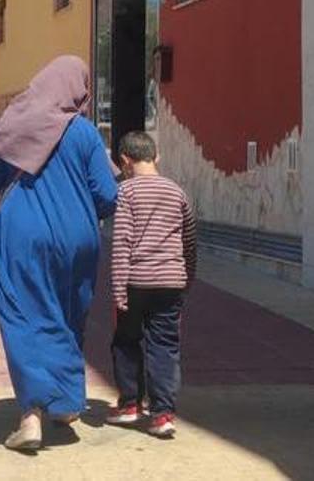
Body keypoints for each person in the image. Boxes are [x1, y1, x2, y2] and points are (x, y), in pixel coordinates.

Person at [0, 55, 118, 451]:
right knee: (68, 313)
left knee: (23, 314)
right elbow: (107, 195)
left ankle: (31, 416)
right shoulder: (84, 133)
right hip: (79, 236)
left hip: (23, 233)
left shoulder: (16, 122)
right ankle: (68, 404)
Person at [106, 130, 197, 439]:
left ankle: (130, 404)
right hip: (171, 282)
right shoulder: (177, 192)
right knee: (165, 345)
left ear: (124, 161)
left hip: (136, 281)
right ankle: (162, 414)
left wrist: (118, 288)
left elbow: (122, 243)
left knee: (126, 341)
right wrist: (187, 279)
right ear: (157, 157)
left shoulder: (126, 193)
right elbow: (189, 240)